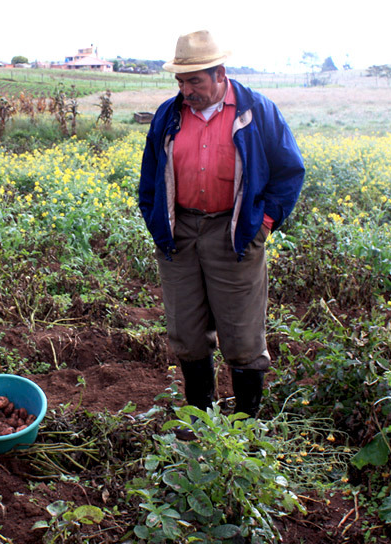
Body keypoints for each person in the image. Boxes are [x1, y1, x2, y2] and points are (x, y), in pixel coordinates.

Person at [138, 30, 305, 419]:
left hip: (235, 234)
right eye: (180, 81)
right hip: (179, 235)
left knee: (242, 336)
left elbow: (289, 172)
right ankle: (202, 421)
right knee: (187, 335)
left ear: (220, 74)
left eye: (194, 80)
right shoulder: (168, 115)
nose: (186, 90)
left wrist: (262, 225)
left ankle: (245, 430)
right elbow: (149, 179)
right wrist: (156, 222)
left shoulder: (257, 111)